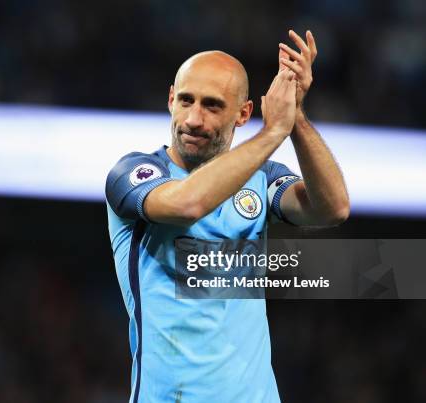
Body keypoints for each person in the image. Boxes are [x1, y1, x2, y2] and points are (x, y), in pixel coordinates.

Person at [105, 30, 349, 403]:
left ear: (243, 114)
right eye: (186, 100)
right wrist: (271, 133)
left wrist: (295, 117)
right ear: (170, 99)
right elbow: (187, 203)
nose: (194, 119)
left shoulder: (263, 179)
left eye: (213, 105)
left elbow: (332, 208)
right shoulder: (135, 173)